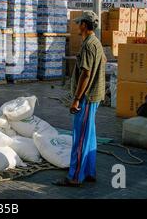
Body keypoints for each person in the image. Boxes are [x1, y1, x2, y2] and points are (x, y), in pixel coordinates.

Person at [53, 11, 106, 188]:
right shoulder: (96, 43)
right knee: (89, 136)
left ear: (84, 24)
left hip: (87, 97)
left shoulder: (88, 45)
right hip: (94, 96)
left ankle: (75, 176)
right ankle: (89, 172)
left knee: (80, 138)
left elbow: (86, 73)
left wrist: (76, 99)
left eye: (78, 23)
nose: (77, 26)